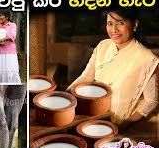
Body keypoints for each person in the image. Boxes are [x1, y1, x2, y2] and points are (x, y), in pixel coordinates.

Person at [67, 9, 159, 140]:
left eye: (120, 23)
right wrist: (65, 96)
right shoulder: (102, 46)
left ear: (135, 25)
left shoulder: (147, 58)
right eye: (110, 24)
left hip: (120, 124)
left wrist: (125, 125)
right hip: (93, 116)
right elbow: (85, 77)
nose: (114, 29)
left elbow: (151, 101)